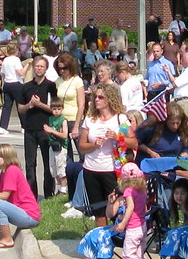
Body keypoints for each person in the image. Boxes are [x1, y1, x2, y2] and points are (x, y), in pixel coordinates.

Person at [77, 82, 138, 228]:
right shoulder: (90, 119)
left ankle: (120, 237)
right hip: (91, 169)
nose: (96, 100)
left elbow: (134, 142)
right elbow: (82, 146)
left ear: (109, 99)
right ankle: (102, 240)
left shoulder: (119, 120)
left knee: (116, 207)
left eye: (100, 97)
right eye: (95, 97)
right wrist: (94, 145)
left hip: (111, 170)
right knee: (98, 210)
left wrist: (118, 138)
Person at [18, 55, 57, 200]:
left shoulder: (50, 86)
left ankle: (49, 194)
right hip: (30, 129)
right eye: (37, 66)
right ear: (33, 68)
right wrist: (30, 105)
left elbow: (55, 109)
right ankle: (31, 195)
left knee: (48, 164)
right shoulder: (26, 87)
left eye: (42, 66)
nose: (39, 68)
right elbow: (20, 108)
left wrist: (40, 105)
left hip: (45, 129)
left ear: (46, 69)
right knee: (30, 164)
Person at [155, 178, 188, 259]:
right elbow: (174, 224)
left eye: (183, 193)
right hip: (180, 234)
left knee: (177, 233)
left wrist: (184, 209)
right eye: (176, 193)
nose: (179, 196)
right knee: (175, 233)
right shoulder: (173, 207)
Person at [53, 53, 85, 161]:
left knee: (82, 153)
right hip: (62, 119)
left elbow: (81, 104)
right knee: (66, 154)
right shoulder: (58, 81)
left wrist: (76, 126)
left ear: (70, 67)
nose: (62, 71)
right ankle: (69, 175)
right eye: (59, 68)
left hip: (75, 118)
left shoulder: (77, 80)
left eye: (64, 68)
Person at [0, 42, 24, 135]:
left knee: (7, 107)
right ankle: (24, 126)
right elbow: (20, 73)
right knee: (21, 105)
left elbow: (2, 74)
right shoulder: (16, 60)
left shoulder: (5, 60)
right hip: (16, 83)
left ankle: (2, 127)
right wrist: (27, 66)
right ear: (16, 50)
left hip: (7, 84)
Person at [45, 98, 70, 197]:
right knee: (53, 169)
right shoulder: (51, 119)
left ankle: (63, 190)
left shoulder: (63, 120)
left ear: (62, 109)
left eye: (59, 109)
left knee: (61, 169)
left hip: (61, 147)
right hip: (52, 146)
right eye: (54, 109)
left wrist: (51, 131)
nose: (56, 111)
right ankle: (59, 189)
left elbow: (64, 135)